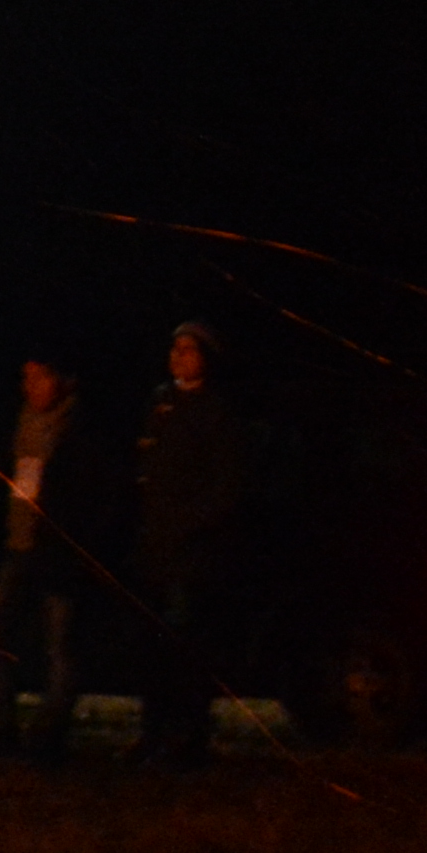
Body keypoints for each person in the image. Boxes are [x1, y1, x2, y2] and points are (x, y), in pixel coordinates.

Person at [123, 317, 265, 764]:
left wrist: (188, 525)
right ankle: (152, 732)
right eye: (175, 349)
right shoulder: (160, 403)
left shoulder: (216, 411)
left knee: (186, 647)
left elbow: (227, 488)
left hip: (192, 555)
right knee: (151, 647)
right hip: (154, 550)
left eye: (188, 350)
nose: (178, 357)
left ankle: (188, 736)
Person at [0, 349, 115, 752]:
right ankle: (0, 723)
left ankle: (49, 730)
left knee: (61, 643)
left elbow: (97, 498)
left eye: (41, 377)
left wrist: (80, 546)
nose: (31, 387)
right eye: (26, 378)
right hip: (14, 547)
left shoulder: (81, 432)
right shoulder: (15, 427)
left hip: (58, 554)